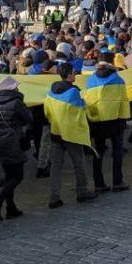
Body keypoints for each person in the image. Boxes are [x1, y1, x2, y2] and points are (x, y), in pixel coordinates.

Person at [44, 62, 96, 206]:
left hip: (56, 132)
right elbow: (82, 111)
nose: (76, 74)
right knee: (79, 164)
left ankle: (54, 197)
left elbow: (47, 111)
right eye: (74, 72)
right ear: (69, 74)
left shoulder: (52, 90)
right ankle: (82, 191)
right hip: (71, 134)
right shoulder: (73, 92)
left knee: (56, 166)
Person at [84, 56, 131, 192]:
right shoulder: (119, 80)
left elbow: (88, 102)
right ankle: (117, 182)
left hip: (98, 122)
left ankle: (99, 183)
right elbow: (124, 101)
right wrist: (124, 119)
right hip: (116, 122)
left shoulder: (91, 80)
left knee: (98, 153)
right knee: (117, 151)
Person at [0, 77, 32, 220]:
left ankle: (10, 207)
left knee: (9, 175)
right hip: (14, 141)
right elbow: (29, 119)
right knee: (18, 176)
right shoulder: (17, 103)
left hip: (0, 142)